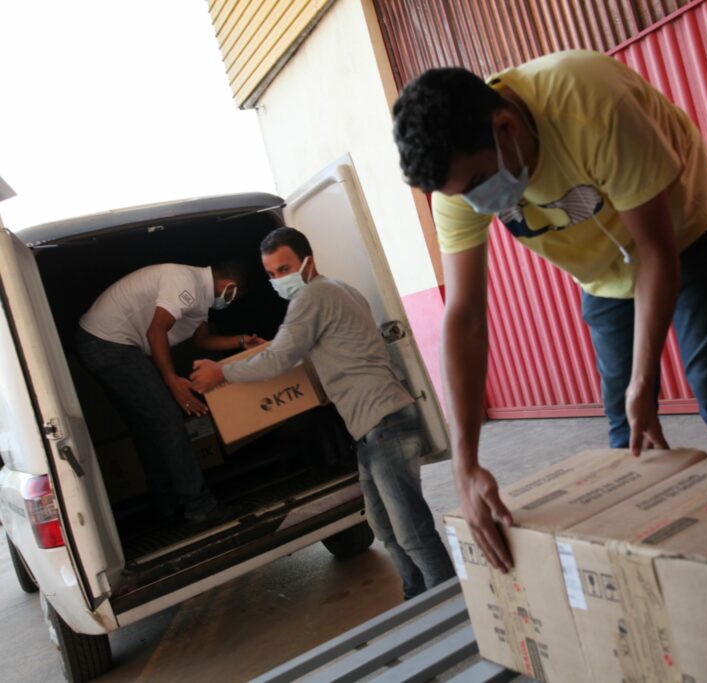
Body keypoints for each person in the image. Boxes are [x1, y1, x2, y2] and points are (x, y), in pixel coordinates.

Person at [391, 50, 707, 571]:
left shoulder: (590, 103)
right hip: (603, 271)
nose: (478, 203)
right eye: (463, 195)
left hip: (682, 231)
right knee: (626, 424)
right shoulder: (457, 185)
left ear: (505, 127)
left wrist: (645, 379)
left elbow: (657, 253)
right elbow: (465, 316)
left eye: (481, 182)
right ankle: (646, 569)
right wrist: (465, 465)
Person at [190, 228, 455, 599]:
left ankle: (450, 604)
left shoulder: (312, 296)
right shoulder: (340, 289)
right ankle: (417, 598)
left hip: (384, 422)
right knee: (386, 529)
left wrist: (222, 373)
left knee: (412, 530)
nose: (278, 280)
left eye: (284, 269)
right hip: (371, 427)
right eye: (271, 274)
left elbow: (280, 359)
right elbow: (324, 349)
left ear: (307, 262)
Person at [76, 261, 259, 526]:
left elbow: (203, 340)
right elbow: (156, 331)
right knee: (168, 419)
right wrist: (172, 382)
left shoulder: (200, 301)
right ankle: (199, 507)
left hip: (102, 343)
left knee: (148, 424)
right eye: (234, 297)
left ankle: (166, 503)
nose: (229, 303)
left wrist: (241, 341)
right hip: (109, 344)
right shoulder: (186, 282)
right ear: (229, 287)